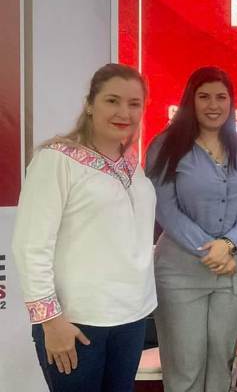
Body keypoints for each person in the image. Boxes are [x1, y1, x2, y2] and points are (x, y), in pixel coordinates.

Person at [12, 64, 156, 392]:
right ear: (90, 104)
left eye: (134, 104)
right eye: (112, 101)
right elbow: (31, 245)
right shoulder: (57, 159)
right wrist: (50, 321)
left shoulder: (130, 162)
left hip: (131, 317)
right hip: (77, 322)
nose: (124, 112)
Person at [146, 66, 237, 392]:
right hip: (180, 273)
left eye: (221, 97)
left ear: (231, 102)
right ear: (191, 100)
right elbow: (165, 210)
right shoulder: (165, 145)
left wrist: (228, 244)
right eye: (204, 97)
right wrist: (211, 250)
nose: (213, 105)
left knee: (220, 366)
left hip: (234, 272)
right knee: (185, 368)